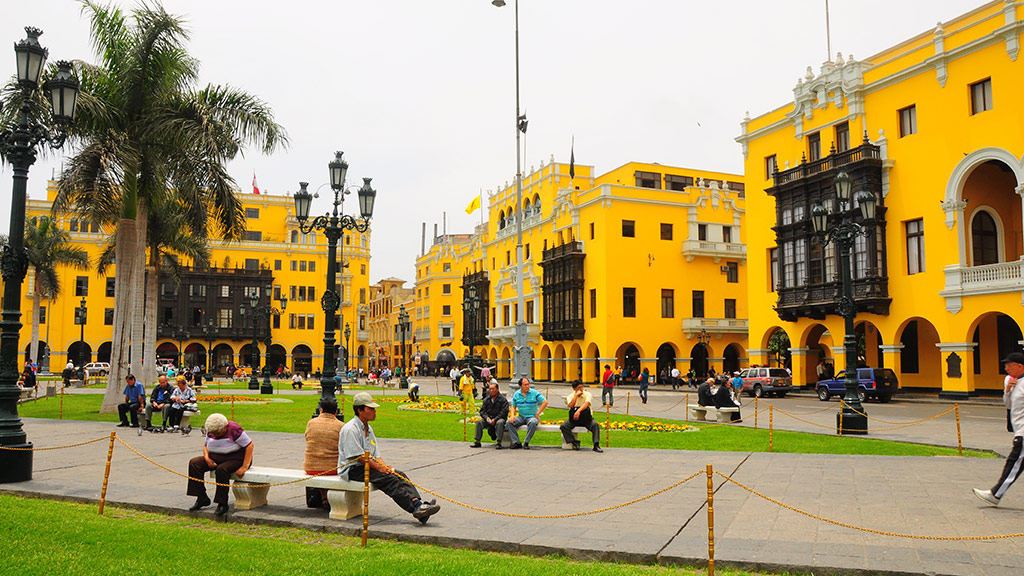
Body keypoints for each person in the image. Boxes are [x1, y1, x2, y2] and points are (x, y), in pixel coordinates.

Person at [338, 392, 440, 523]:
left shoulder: (368, 429)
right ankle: (415, 508)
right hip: (353, 470)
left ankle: (418, 504)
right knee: (389, 479)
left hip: (367, 466)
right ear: (360, 410)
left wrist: (385, 467)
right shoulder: (350, 429)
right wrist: (380, 469)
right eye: (371, 409)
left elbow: (376, 454)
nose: (375, 412)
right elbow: (360, 457)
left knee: (398, 474)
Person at [974, 352, 1024, 506]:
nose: (1006, 368)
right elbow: (1008, 405)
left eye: (1009, 365)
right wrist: (1007, 391)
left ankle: (995, 494)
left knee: (1014, 462)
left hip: (1023, 432)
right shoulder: (1012, 382)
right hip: (1018, 429)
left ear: (1020, 366)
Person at [186, 413, 253, 517]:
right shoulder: (211, 429)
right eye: (213, 433)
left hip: (236, 459)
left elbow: (249, 446)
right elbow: (205, 445)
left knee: (221, 469)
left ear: (224, 426)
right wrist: (207, 458)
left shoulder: (234, 429)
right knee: (194, 463)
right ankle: (201, 497)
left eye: (217, 433)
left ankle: (222, 503)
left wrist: (244, 466)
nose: (215, 435)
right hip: (215, 457)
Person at [303, 398, 345, 508]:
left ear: (321, 410)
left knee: (322, 467)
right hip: (333, 469)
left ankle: (324, 496)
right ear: (336, 412)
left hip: (310, 467)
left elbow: (307, 438)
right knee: (330, 467)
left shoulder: (311, 423)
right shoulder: (340, 426)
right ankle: (328, 497)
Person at [561, 380, 602, 452]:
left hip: (586, 418)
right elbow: (570, 405)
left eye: (582, 387)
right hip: (574, 419)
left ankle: (596, 445)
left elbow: (587, 404)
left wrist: (578, 411)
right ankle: (574, 442)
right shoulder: (571, 396)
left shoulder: (587, 394)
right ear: (574, 388)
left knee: (595, 425)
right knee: (564, 426)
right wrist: (576, 396)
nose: (581, 389)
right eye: (579, 388)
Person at [506, 377, 547, 450]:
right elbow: (513, 406)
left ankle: (526, 442)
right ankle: (516, 442)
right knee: (509, 422)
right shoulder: (517, 394)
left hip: (532, 417)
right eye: (525, 385)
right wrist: (512, 416)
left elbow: (545, 402)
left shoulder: (534, 393)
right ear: (520, 386)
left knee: (532, 422)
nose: (527, 386)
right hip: (521, 417)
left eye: (528, 384)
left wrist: (538, 413)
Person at [472, 381, 509, 448]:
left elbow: (504, 411)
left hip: (499, 418)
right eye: (490, 389)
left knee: (500, 423)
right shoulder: (486, 399)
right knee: (479, 422)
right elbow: (482, 411)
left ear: (497, 389)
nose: (491, 391)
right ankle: (477, 441)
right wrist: (487, 418)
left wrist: (495, 419)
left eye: (493, 389)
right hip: (489, 418)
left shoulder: (503, 400)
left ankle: (499, 442)